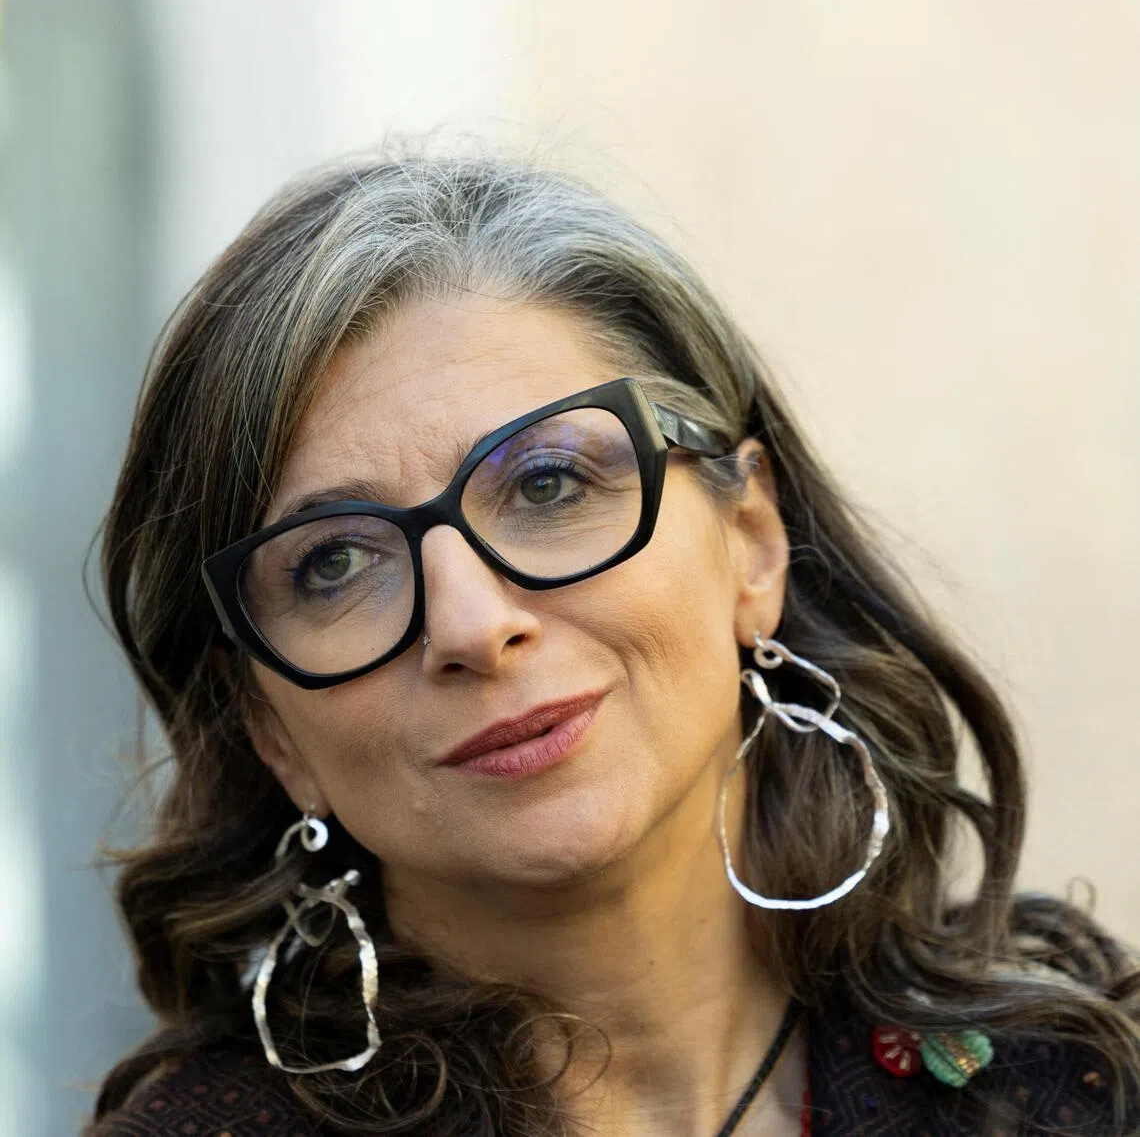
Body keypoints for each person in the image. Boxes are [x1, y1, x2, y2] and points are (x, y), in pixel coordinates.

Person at [88, 150, 1138, 1137]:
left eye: (548, 484)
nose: (472, 624)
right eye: (336, 563)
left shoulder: (1073, 1084)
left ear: (752, 543)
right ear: (272, 728)